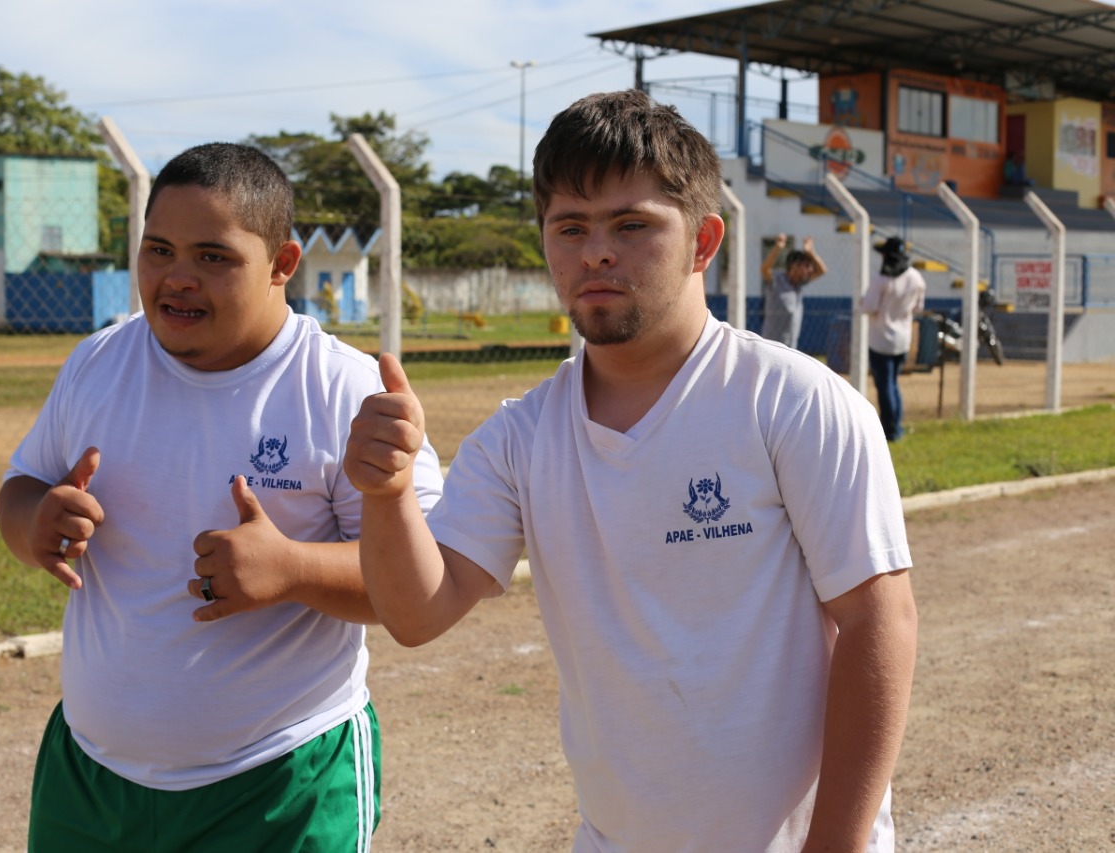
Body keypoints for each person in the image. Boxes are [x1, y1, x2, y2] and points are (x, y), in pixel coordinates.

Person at [347, 90, 918, 852]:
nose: (596, 252)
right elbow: (418, 614)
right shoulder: (521, 437)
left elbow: (880, 622)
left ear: (704, 241)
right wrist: (386, 496)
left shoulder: (792, 401)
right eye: (570, 227)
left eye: (632, 224)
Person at [0, 142, 443, 852]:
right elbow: (21, 486)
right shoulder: (99, 362)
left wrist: (293, 568)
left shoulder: (342, 389)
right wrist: (36, 520)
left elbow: (421, 587)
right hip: (89, 774)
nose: (178, 277)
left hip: (279, 783)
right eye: (159, 249)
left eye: (213, 256)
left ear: (283, 264)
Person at [863, 236, 926, 442]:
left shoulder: (881, 279)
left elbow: (869, 307)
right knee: (893, 383)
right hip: (902, 339)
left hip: (881, 340)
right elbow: (918, 308)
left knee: (885, 386)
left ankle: (889, 430)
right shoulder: (916, 278)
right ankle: (896, 425)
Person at [760, 232, 827, 349]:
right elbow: (765, 269)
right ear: (794, 265)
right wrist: (777, 248)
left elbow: (822, 270)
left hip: (790, 346)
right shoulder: (777, 280)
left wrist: (810, 252)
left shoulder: (799, 285)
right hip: (771, 346)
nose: (810, 270)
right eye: (806, 266)